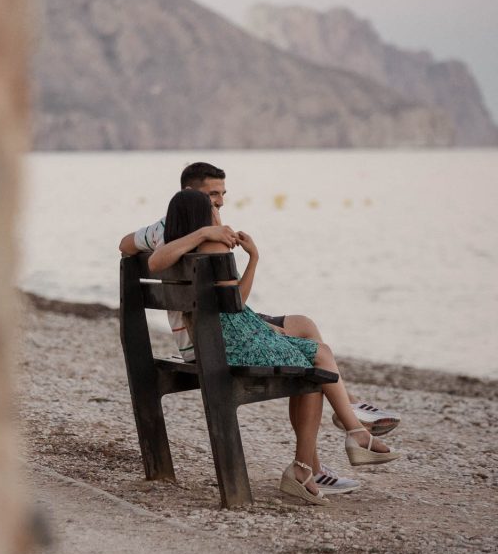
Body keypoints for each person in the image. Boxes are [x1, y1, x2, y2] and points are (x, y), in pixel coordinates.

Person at [150, 189, 401, 504]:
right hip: (232, 342)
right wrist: (252, 256)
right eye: (213, 206)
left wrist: (251, 268)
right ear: (202, 216)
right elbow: (236, 303)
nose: (219, 210)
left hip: (219, 337)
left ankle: (322, 455)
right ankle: (349, 436)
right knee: (318, 357)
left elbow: (168, 268)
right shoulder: (211, 244)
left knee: (310, 348)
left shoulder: (175, 249)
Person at [119, 162, 401, 438]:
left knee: (303, 324)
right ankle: (325, 445)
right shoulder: (205, 238)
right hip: (212, 335)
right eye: (212, 196)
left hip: (212, 322)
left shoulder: (163, 230)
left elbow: (126, 245)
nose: (220, 203)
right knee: (313, 357)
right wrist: (238, 249)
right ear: (191, 193)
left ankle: (345, 407)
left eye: (222, 195)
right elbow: (235, 302)